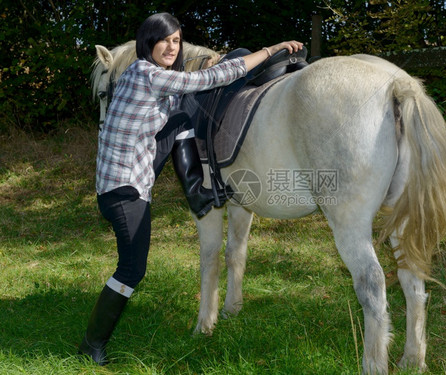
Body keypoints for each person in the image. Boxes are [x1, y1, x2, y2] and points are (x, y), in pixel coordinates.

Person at [78, 12, 303, 365]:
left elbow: (182, 105)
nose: (171, 46)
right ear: (147, 43)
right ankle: (91, 346)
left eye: (176, 41)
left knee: (181, 117)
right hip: (123, 191)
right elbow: (212, 78)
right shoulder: (143, 73)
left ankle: (198, 193)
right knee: (132, 270)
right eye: (163, 39)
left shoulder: (152, 80)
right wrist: (267, 50)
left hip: (125, 184)